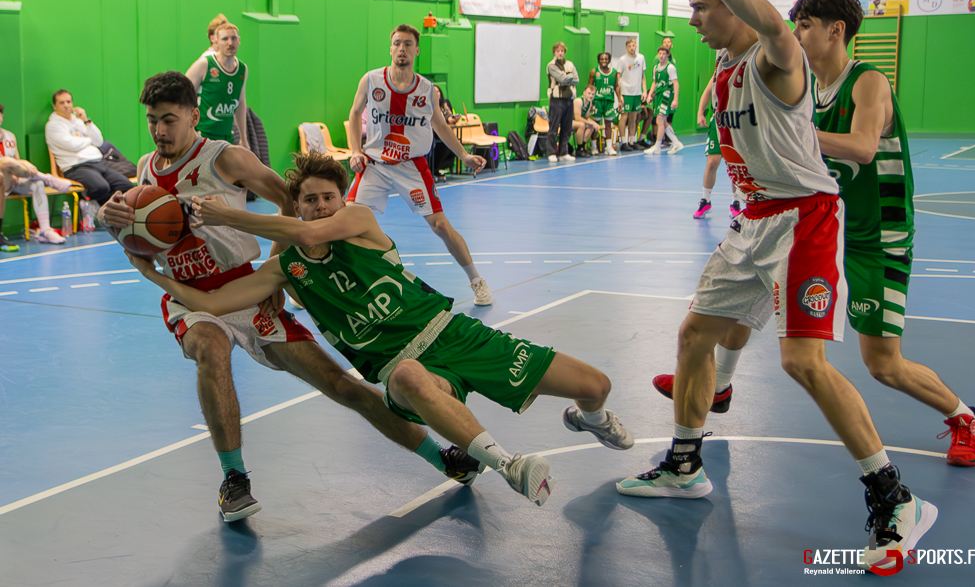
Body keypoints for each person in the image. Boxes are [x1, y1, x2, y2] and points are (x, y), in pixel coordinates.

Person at [620, 0, 936, 571]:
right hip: (752, 221)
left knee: (803, 362)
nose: (695, 16)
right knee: (692, 336)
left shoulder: (774, 56)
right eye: (692, 3)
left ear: (734, 1)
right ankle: (684, 463)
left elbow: (771, 24)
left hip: (804, 221)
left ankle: (895, 495)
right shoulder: (722, 59)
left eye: (703, 4)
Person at [145, 151, 636, 507]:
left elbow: (312, 233)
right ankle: (507, 464)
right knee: (404, 379)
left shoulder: (357, 219)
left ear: (342, 199)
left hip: (456, 335)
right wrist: (149, 270)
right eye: (309, 200)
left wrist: (228, 215)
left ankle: (589, 418)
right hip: (405, 366)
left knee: (596, 386)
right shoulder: (285, 268)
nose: (320, 206)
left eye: (327, 197)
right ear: (296, 204)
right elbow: (210, 301)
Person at [98, 71, 479, 523]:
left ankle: (443, 458)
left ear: (193, 117)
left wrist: (275, 275)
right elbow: (135, 233)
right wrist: (111, 219)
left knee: (344, 387)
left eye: (169, 120)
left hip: (245, 287)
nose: (160, 130)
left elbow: (288, 202)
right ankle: (234, 479)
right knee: (211, 351)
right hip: (191, 298)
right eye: (152, 121)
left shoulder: (224, 158)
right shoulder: (145, 170)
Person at [660, 0, 975, 469]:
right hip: (813, 224)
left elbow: (862, 147)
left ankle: (964, 416)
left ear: (836, 30)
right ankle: (722, 384)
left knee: (882, 364)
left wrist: (791, 132)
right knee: (742, 294)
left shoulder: (867, 82)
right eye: (793, 24)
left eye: (806, 25)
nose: (795, 34)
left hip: (875, 236)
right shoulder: (801, 82)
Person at [347, 24, 494, 306]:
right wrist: (355, 150)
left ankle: (477, 280)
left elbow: (440, 125)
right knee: (345, 221)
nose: (401, 49)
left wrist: (463, 155)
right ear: (390, 48)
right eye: (397, 43)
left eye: (407, 44)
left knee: (440, 226)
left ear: (416, 50)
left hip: (411, 166)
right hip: (375, 164)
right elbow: (354, 114)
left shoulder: (427, 90)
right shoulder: (371, 80)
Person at [1, 103, 74, 247]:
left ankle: (45, 230)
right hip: (1, 182)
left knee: (37, 184)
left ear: (2, 117)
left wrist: (19, 169)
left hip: (14, 180)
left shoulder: (9, 136)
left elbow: (17, 162)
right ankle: (47, 178)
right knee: (6, 161)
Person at [45, 90, 133, 206]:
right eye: (62, 103)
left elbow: (98, 141)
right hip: (76, 167)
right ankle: (96, 207)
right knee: (101, 187)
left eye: (69, 101)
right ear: (54, 106)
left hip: (98, 162)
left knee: (126, 186)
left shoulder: (79, 122)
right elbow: (72, 145)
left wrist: (86, 120)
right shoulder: (53, 126)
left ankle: (105, 210)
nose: (66, 105)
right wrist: (89, 140)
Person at [185, 22, 248, 148]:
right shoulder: (204, 65)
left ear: (239, 41)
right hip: (202, 135)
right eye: (225, 39)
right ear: (216, 42)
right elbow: (181, 96)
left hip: (226, 137)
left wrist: (243, 138)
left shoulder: (242, 69)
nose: (230, 43)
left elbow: (240, 102)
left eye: (234, 38)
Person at [691, 74, 740, 219]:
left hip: (737, 122)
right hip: (718, 121)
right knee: (712, 162)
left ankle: (736, 202)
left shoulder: (743, 67)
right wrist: (701, 112)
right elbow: (707, 91)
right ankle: (705, 201)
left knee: (734, 163)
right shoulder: (719, 71)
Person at [643, 46, 683, 155]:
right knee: (663, 122)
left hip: (666, 95)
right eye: (659, 53)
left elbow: (676, 83)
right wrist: (649, 95)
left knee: (659, 120)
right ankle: (676, 142)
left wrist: (675, 99)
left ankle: (657, 146)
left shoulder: (670, 68)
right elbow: (654, 83)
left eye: (664, 54)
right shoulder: (656, 68)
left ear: (667, 55)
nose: (661, 56)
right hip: (659, 95)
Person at [545, 41, 580, 163]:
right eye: (558, 51)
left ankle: (563, 152)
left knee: (567, 127)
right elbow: (561, 78)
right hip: (556, 99)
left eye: (562, 51)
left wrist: (567, 78)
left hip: (569, 99)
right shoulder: (551, 65)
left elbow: (577, 80)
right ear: (554, 52)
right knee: (554, 127)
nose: (560, 53)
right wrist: (568, 77)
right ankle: (551, 152)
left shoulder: (570, 64)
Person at [615, 38, 647, 151]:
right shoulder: (623, 60)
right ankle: (623, 142)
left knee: (634, 117)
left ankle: (632, 141)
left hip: (637, 93)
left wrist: (645, 91)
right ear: (626, 47)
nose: (632, 48)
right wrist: (620, 95)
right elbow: (618, 77)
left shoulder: (641, 58)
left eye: (633, 45)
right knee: (624, 116)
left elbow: (643, 75)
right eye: (629, 46)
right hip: (626, 92)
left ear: (636, 46)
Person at [586, 52, 621, 155]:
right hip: (597, 101)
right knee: (595, 124)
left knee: (608, 124)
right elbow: (589, 87)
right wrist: (590, 102)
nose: (604, 61)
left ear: (609, 60)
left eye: (606, 59)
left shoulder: (614, 72)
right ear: (599, 60)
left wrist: (619, 99)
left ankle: (609, 147)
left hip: (609, 101)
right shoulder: (594, 72)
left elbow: (616, 86)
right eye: (602, 59)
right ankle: (593, 146)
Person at [572, 85, 600, 158]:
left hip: (576, 122)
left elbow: (586, 117)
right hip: (568, 121)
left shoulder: (589, 102)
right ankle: (579, 149)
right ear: (584, 93)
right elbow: (577, 118)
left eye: (593, 94)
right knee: (582, 125)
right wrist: (591, 123)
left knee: (591, 126)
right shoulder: (579, 101)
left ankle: (583, 147)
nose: (591, 96)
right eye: (589, 93)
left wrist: (594, 123)